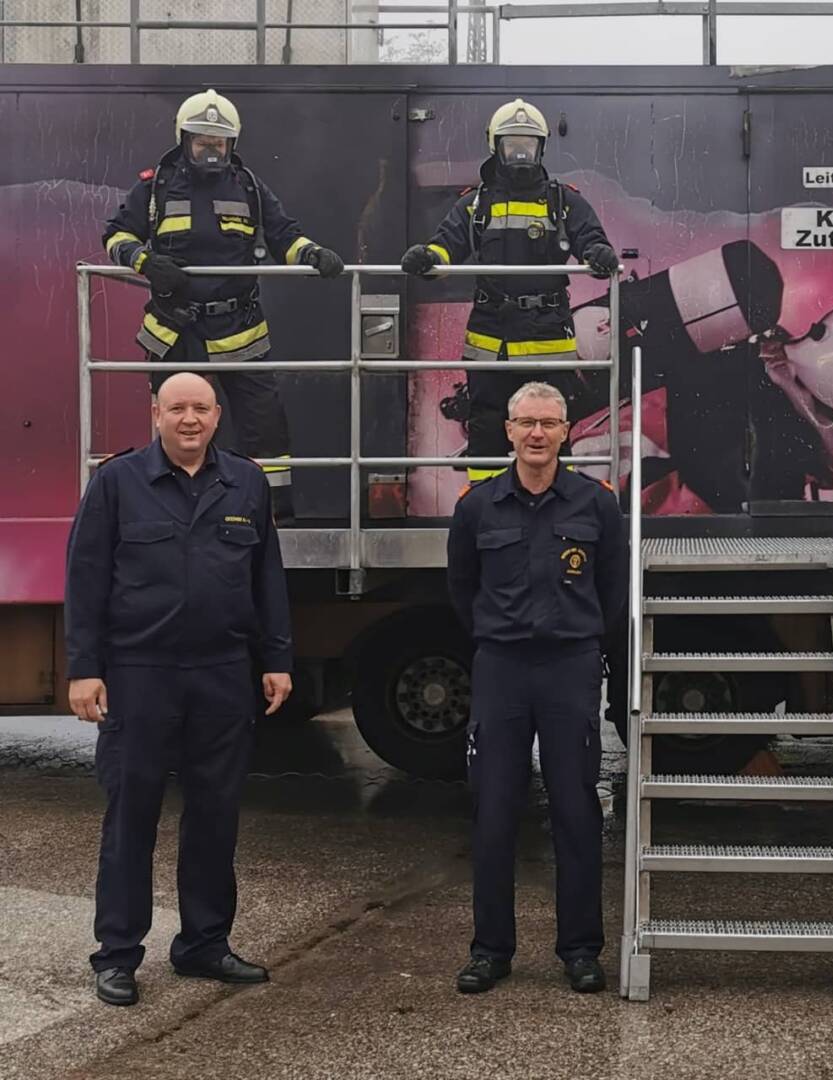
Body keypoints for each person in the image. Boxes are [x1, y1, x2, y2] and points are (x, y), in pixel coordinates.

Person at [65, 372, 293, 1008]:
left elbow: (266, 577)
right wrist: (84, 668)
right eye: (176, 408)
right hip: (140, 673)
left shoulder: (246, 481)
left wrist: (276, 659)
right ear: (155, 414)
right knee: (131, 815)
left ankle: (204, 944)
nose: (189, 419)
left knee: (216, 814)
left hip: (222, 673)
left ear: (218, 416)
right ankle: (116, 954)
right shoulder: (117, 482)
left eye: (200, 408)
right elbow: (84, 576)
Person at [445, 381, 628, 994]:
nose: (537, 434)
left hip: (569, 669)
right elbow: (461, 588)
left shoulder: (596, 503)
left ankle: (579, 949)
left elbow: (614, 590)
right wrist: (498, 637)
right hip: (501, 669)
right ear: (509, 431)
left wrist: (585, 645)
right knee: (494, 811)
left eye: (549, 423)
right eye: (526, 422)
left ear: (567, 430)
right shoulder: (477, 506)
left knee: (576, 811)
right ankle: (490, 950)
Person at [102, 89, 346, 525]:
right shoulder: (155, 186)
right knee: (178, 425)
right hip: (174, 330)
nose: (211, 150)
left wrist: (312, 255)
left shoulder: (249, 187)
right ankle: (170, 510)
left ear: (232, 144)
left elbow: (284, 236)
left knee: (266, 425)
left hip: (240, 329)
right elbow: (116, 236)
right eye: (203, 141)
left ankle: (272, 515)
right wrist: (146, 262)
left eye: (220, 143)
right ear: (185, 139)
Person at [401, 98, 619, 483]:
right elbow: (447, 245)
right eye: (512, 144)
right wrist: (427, 257)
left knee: (550, 425)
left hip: (548, 338)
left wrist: (598, 252)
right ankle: (481, 510)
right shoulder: (476, 204)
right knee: (486, 427)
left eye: (528, 144)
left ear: (541, 147)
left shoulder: (563, 201)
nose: (520, 152)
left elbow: (590, 239)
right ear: (496, 146)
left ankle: (554, 507)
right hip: (491, 338)